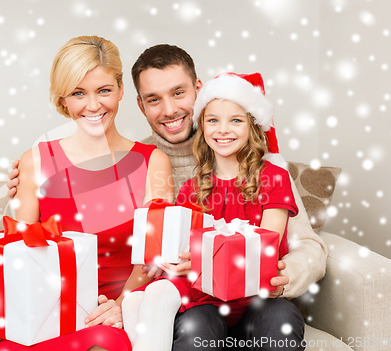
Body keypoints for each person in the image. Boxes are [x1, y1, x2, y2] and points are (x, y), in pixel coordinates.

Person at [8, 44, 328, 350]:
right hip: (196, 304)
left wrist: (281, 278)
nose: (170, 109)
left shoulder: (260, 164)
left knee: (278, 320)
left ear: (199, 90)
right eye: (154, 99)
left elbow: (308, 246)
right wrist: (28, 187)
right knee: (192, 326)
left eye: (178, 93)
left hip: (263, 300)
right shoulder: (143, 161)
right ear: (139, 104)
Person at [0, 35, 174, 351]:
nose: (93, 105)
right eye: (79, 93)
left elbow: (154, 258)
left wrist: (121, 304)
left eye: (104, 90)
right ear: (63, 99)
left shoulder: (153, 162)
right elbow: (17, 255)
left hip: (108, 316)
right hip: (45, 316)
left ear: (121, 89)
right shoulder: (34, 161)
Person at [123, 72, 303, 351]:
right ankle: (149, 305)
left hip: (260, 298)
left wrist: (203, 261)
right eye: (213, 120)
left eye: (235, 120)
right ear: (202, 126)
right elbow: (184, 252)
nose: (223, 130)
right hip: (206, 300)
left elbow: (262, 250)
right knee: (196, 331)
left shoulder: (274, 179)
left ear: (253, 126)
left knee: (280, 321)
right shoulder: (192, 190)